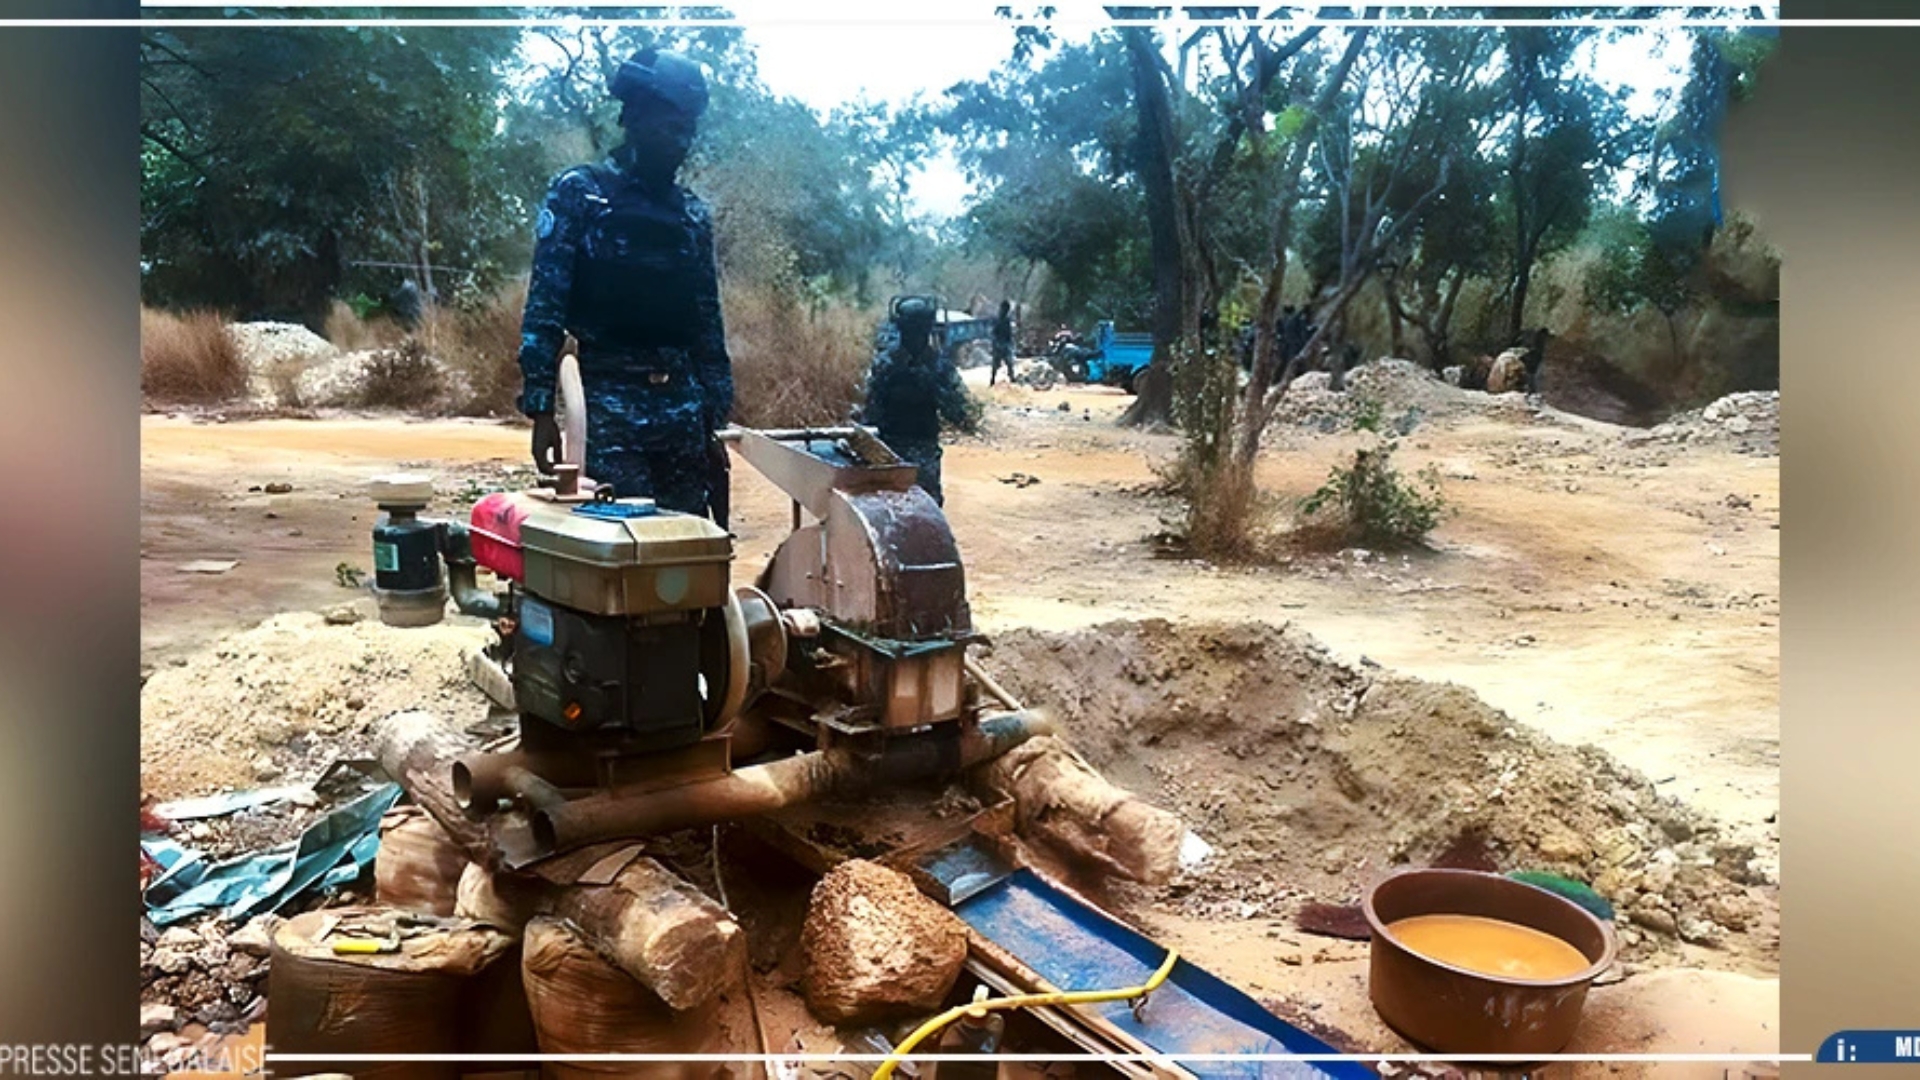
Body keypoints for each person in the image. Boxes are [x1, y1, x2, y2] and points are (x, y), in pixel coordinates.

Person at [512, 48, 733, 526]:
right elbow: (546, 304)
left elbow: (706, 322)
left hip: (683, 411)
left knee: (689, 545)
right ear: (634, 118)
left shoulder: (692, 216)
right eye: (669, 127)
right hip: (607, 409)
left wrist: (715, 419)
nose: (680, 142)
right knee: (618, 546)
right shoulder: (581, 194)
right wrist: (541, 409)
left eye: (687, 130)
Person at [859, 296, 977, 506]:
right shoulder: (890, 365)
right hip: (892, 455)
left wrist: (935, 390)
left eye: (918, 330)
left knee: (919, 512)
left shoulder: (891, 364)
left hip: (907, 454)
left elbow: (961, 414)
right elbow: (869, 413)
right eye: (913, 330)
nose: (915, 336)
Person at [989, 299, 1016, 386]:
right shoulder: (998, 320)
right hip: (999, 344)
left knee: (1008, 363)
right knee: (998, 364)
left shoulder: (1006, 320)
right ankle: (993, 380)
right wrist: (996, 344)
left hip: (1003, 344)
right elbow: (994, 333)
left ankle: (1011, 378)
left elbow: (1009, 334)